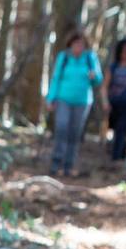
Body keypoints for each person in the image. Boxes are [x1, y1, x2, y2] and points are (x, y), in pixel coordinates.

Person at [46, 30, 102, 174]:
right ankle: (56, 162)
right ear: (70, 44)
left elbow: (98, 79)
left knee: (75, 133)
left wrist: (94, 76)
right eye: (76, 44)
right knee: (61, 128)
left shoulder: (90, 58)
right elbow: (56, 78)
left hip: (83, 101)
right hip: (63, 99)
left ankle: (68, 165)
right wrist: (50, 98)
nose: (78, 47)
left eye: (81, 44)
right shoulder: (64, 57)